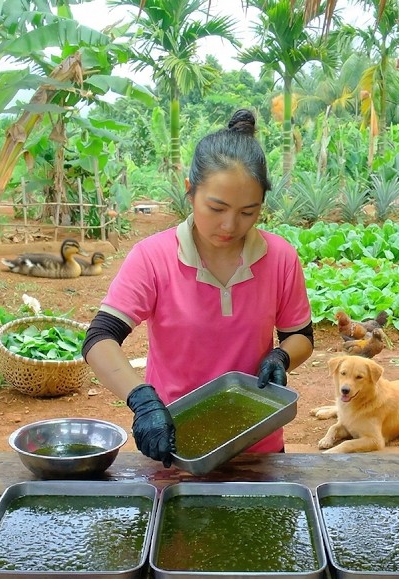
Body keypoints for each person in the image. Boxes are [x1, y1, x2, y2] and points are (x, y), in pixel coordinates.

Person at [81, 108, 314, 465]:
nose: (230, 225)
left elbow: (301, 336)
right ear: (190, 191)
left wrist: (282, 356)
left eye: (248, 212)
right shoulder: (153, 257)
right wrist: (141, 400)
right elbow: (99, 339)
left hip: (259, 448)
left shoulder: (279, 257)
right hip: (174, 444)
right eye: (216, 208)